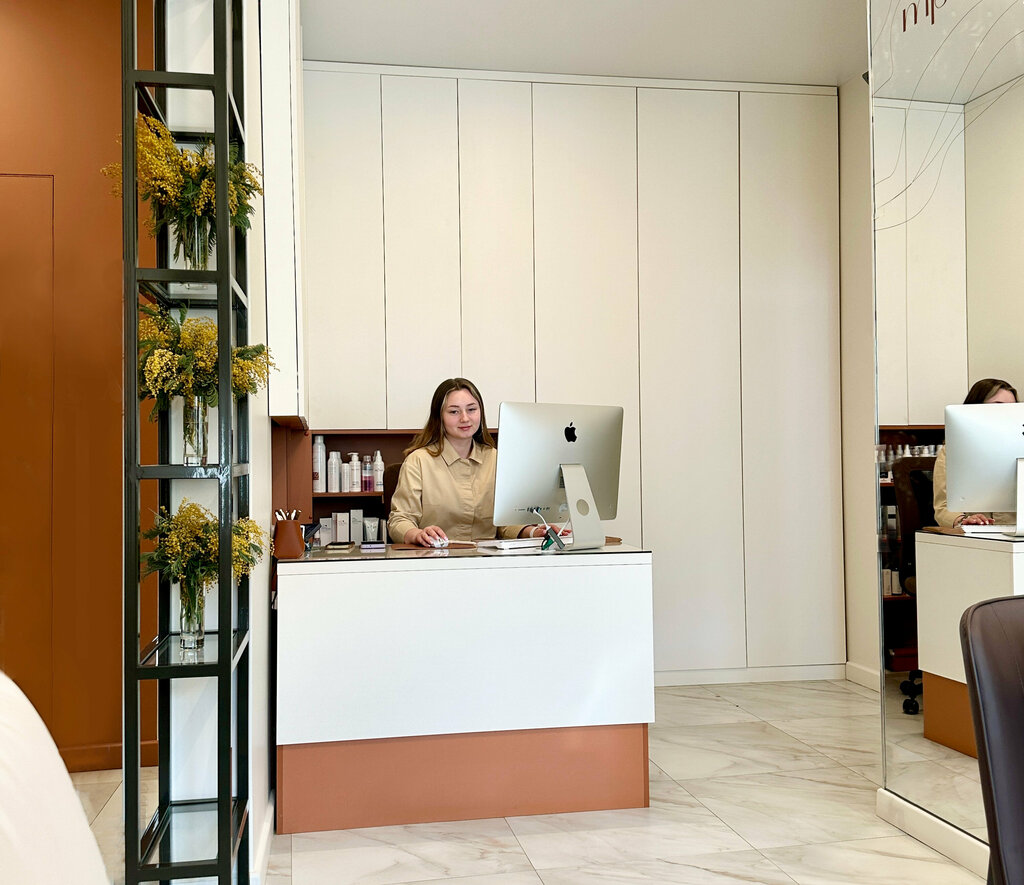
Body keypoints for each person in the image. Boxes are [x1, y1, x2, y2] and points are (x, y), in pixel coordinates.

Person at [388, 378, 556, 546]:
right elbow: (400, 520)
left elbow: (504, 523)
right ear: (439, 417)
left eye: (471, 409)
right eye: (454, 412)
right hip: (436, 556)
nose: (465, 418)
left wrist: (534, 532)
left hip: (487, 557)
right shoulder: (418, 461)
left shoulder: (495, 458)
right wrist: (417, 534)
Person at [933, 378, 1018, 528]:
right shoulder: (952, 451)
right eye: (998, 406)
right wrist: (963, 521)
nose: (1006, 413)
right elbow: (943, 508)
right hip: (975, 534)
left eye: (1012, 408)